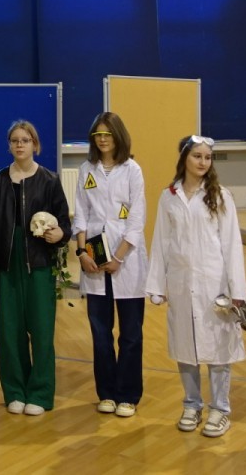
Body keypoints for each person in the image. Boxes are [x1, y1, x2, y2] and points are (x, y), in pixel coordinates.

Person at [145, 135, 246, 438]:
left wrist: (237, 290)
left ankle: (220, 409)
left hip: (214, 284)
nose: (203, 162)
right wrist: (157, 284)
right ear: (184, 158)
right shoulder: (169, 196)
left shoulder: (220, 196)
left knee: (218, 348)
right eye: (197, 156)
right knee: (185, 346)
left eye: (207, 157)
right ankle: (192, 404)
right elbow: (161, 242)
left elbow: (232, 244)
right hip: (181, 283)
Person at [0, 120, 71, 416]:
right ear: (9, 145)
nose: (20, 145)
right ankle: (15, 391)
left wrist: (59, 235)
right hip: (8, 264)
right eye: (15, 140)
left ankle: (41, 393)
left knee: (42, 330)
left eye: (25, 140)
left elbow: (64, 223)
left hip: (40, 263)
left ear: (35, 144)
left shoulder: (49, 180)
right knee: (10, 332)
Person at [72, 111, 148, 417]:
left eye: (107, 134)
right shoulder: (86, 169)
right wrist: (82, 252)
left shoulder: (132, 170)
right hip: (93, 253)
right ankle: (106, 392)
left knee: (130, 333)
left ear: (118, 136)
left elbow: (137, 218)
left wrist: (119, 257)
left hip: (126, 257)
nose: (102, 139)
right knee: (101, 332)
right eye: (98, 135)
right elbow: (81, 213)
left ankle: (128, 395)